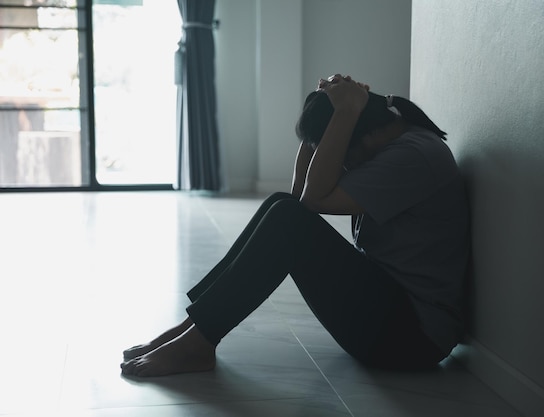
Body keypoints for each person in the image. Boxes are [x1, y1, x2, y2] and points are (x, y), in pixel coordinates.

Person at [120, 74, 469, 377]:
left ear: (358, 136)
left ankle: (198, 340)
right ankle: (195, 328)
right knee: (281, 206)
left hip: (412, 338)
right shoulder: (389, 146)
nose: (342, 164)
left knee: (289, 219)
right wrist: (322, 111)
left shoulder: (413, 155)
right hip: (389, 314)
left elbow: (311, 203)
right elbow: (299, 195)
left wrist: (344, 111)